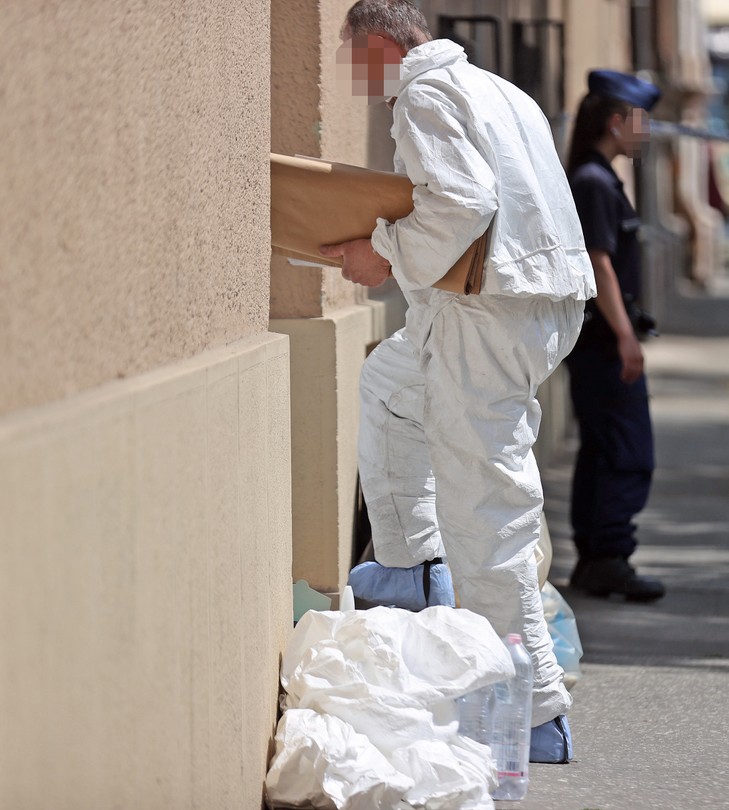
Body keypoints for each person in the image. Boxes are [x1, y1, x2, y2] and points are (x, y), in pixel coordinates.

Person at [320, 0, 596, 763]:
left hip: (488, 313)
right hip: (513, 306)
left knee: (486, 502)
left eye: (351, 58)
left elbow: (462, 204)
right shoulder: (498, 90)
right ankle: (412, 565)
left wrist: (381, 253)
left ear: (379, 45)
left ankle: (533, 710)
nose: (351, 78)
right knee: (388, 384)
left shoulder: (425, 93)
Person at [564, 70, 666, 602]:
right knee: (627, 452)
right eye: (640, 120)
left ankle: (596, 560)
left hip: (601, 340)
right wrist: (626, 337)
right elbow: (599, 263)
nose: (646, 131)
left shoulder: (597, 177)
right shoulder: (594, 182)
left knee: (603, 450)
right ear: (615, 122)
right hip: (603, 343)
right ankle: (608, 556)